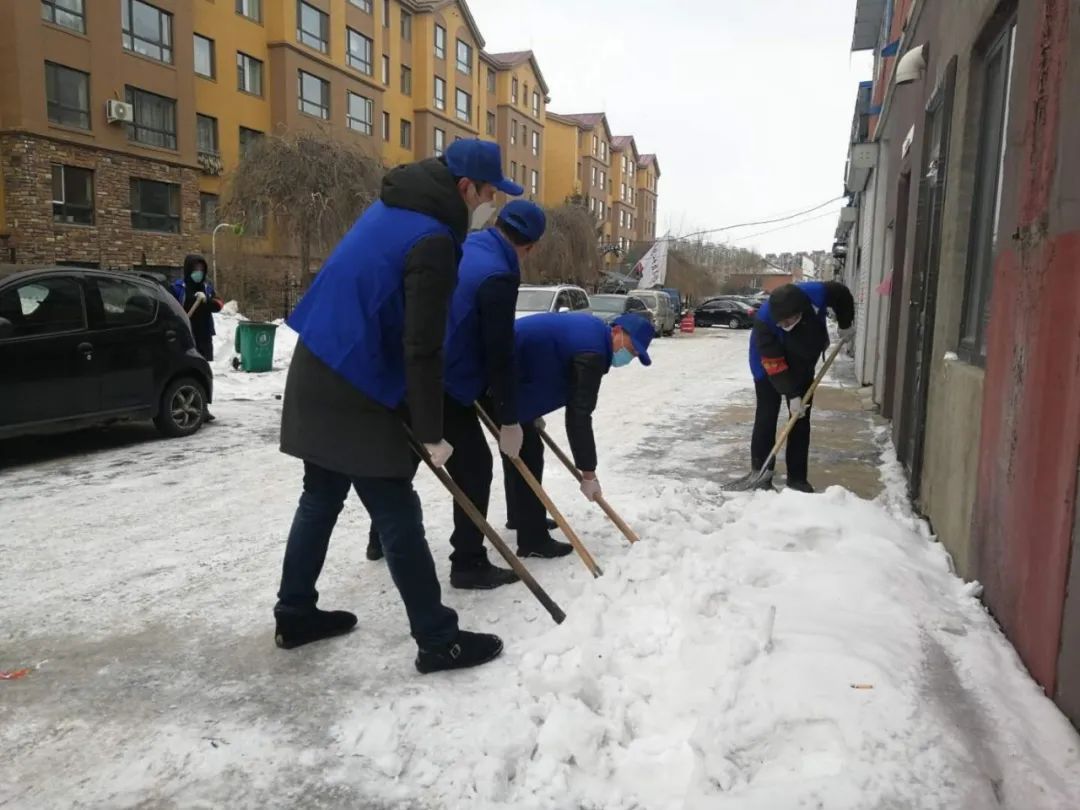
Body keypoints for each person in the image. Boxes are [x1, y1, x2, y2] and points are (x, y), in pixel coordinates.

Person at [275, 139, 523, 674]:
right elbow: (421, 345)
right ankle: (438, 639)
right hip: (355, 381)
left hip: (318, 360)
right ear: (465, 188)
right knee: (395, 508)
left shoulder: (394, 206)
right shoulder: (433, 237)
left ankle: (295, 612)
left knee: (320, 495)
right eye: (489, 194)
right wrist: (431, 430)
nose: (492, 207)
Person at [503, 312, 654, 557]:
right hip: (497, 368)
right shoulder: (592, 352)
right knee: (529, 453)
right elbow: (579, 416)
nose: (630, 357)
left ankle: (522, 517)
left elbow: (549, 365)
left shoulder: (592, 332)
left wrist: (531, 410)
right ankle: (533, 539)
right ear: (617, 331)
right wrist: (588, 473)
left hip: (508, 368)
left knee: (522, 445)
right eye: (632, 349)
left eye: (636, 355)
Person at [746, 281, 855, 492]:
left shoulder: (818, 293)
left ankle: (797, 479)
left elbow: (842, 295)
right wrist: (792, 394)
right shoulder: (765, 322)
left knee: (800, 419)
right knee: (767, 414)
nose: (785, 325)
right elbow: (773, 363)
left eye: (789, 321)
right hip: (767, 363)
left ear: (800, 311)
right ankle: (761, 473)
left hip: (803, 361)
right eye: (782, 323)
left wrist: (845, 324)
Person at [171, 254, 222, 420]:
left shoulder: (207, 288)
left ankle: (203, 407)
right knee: (184, 370)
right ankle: (180, 403)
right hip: (185, 334)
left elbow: (219, 304)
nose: (198, 273)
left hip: (203, 335)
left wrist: (208, 301)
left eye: (201, 269)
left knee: (201, 371)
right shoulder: (178, 287)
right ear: (188, 269)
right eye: (195, 269)